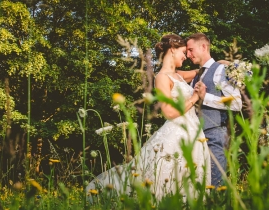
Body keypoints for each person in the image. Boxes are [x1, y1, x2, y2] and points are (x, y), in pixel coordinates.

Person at [85, 34, 210, 200]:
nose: (186, 56)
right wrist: (195, 98)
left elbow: (200, 70)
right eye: (183, 51)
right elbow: (169, 112)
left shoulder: (179, 75)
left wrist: (221, 64)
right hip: (177, 134)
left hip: (194, 133)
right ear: (172, 50)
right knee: (169, 179)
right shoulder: (162, 78)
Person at [183, 33, 241, 187]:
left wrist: (205, 96)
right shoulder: (197, 75)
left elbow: (236, 103)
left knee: (216, 186)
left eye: (190, 50)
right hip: (195, 138)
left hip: (214, 135)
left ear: (203, 47)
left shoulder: (221, 69)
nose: (188, 55)